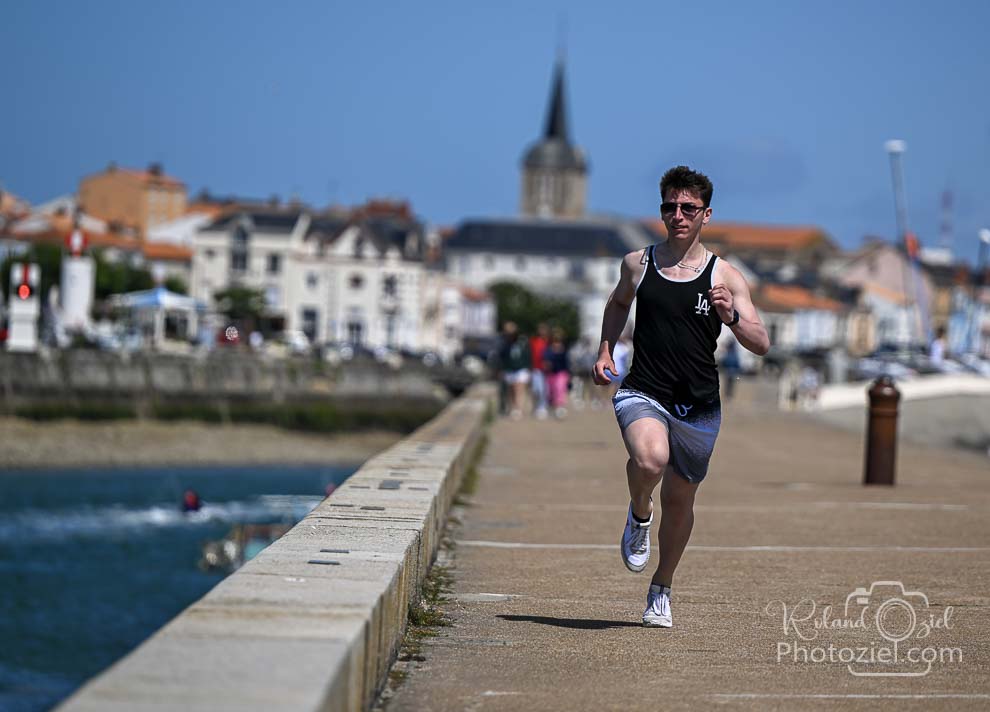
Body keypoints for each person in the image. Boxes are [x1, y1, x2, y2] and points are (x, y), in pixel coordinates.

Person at [593, 166, 769, 628]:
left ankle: (662, 587)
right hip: (643, 389)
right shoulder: (639, 263)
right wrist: (605, 348)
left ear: (705, 214)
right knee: (649, 461)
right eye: (669, 207)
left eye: (688, 208)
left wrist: (730, 316)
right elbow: (617, 304)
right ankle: (637, 513)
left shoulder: (725, 276)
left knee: (681, 500)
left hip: (698, 404)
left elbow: (761, 342)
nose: (678, 215)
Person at [497, 321, 531, 420]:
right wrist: (501, 370)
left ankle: (518, 408)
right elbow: (502, 358)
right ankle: (513, 408)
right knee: (511, 390)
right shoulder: (504, 344)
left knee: (519, 389)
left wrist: (529, 368)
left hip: (521, 369)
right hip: (509, 370)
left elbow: (527, 356)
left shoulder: (522, 342)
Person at [543, 327, 570, 418]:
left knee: (559, 389)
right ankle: (553, 406)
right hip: (551, 374)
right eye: (555, 340)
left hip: (561, 373)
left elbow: (567, 363)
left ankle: (560, 407)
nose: (557, 343)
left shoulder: (564, 350)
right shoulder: (548, 350)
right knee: (551, 391)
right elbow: (545, 361)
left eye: (558, 340)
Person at [529, 323, 550, 419]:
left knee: (544, 389)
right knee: (536, 389)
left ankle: (542, 407)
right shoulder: (533, 341)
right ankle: (536, 405)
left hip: (546, 370)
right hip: (536, 368)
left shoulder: (548, 342)